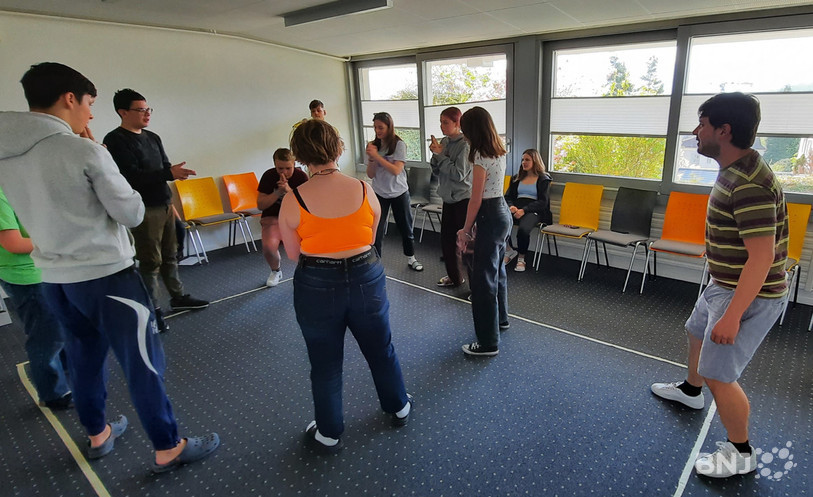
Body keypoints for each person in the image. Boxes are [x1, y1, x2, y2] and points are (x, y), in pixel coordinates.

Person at [0, 62, 219, 472]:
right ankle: (168, 445)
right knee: (142, 361)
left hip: (53, 278)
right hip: (106, 277)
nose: (90, 113)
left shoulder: (6, 151)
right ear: (69, 98)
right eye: (89, 103)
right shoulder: (84, 150)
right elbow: (132, 212)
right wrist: (100, 157)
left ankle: (98, 434)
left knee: (83, 360)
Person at [650, 92, 788, 479]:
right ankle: (691, 392)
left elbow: (761, 259)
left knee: (720, 373)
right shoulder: (734, 167)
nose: (696, 131)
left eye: (702, 124)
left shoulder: (749, 184)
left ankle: (741, 451)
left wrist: (732, 315)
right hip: (721, 283)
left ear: (724, 131)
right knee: (695, 332)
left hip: (747, 295)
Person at [279, 119, 411, 453]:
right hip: (367, 276)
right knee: (381, 348)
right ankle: (398, 406)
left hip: (316, 284)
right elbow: (370, 237)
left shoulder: (294, 199)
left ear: (300, 155)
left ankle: (329, 432)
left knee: (324, 362)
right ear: (338, 148)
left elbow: (294, 254)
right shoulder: (365, 190)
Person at [103, 88, 208, 333]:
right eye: (141, 110)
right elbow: (129, 177)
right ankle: (152, 310)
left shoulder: (153, 137)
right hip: (143, 208)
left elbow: (163, 168)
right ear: (123, 112)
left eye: (148, 109)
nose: (147, 114)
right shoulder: (116, 140)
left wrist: (172, 178)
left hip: (164, 203)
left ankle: (178, 296)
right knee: (151, 261)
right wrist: (167, 173)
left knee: (171, 254)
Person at [0, 186, 72, 410]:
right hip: (27, 276)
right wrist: (58, 241)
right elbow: (13, 243)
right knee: (47, 336)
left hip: (45, 268)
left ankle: (65, 371)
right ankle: (53, 394)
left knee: (58, 327)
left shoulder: (17, 181)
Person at [457, 107, 511, 356]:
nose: (463, 134)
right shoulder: (499, 149)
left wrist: (465, 230)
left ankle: (488, 343)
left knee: (481, 281)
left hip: (490, 213)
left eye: (465, 130)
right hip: (502, 212)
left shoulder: (479, 155)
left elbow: (475, 199)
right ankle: (501, 320)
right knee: (496, 270)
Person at [366, 112, 423, 271]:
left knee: (405, 227)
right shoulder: (373, 146)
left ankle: (411, 258)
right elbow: (371, 174)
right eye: (376, 127)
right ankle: (376, 261)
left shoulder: (399, 144)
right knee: (376, 229)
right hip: (379, 193)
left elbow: (396, 170)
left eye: (381, 127)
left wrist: (376, 156)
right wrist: (371, 158)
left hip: (399, 192)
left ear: (389, 127)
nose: (378, 131)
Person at [429, 106, 471, 287]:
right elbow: (437, 171)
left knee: (465, 245)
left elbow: (458, 174)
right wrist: (435, 156)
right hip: (448, 199)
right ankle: (455, 278)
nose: (442, 126)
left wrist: (441, 156)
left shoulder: (466, 145)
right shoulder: (444, 142)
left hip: (463, 200)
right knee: (447, 242)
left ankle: (474, 285)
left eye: (445, 122)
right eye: (440, 122)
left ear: (457, 123)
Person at [257, 148, 308, 287]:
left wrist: (289, 191)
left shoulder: (301, 177)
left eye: (288, 168)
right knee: (268, 247)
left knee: (306, 247)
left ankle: (307, 272)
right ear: (275, 165)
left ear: (294, 164)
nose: (284, 172)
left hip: (295, 218)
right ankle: (275, 271)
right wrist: (278, 192)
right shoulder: (268, 176)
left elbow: (306, 205)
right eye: (280, 169)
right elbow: (260, 205)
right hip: (272, 218)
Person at [503, 149, 552, 272]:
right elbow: (508, 196)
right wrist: (511, 206)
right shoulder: (517, 178)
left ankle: (521, 257)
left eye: (527, 160)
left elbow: (543, 202)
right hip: (517, 208)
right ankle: (509, 250)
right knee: (500, 222)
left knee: (524, 230)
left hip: (534, 210)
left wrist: (524, 210)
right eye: (523, 160)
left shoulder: (543, 179)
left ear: (535, 161)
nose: (524, 162)